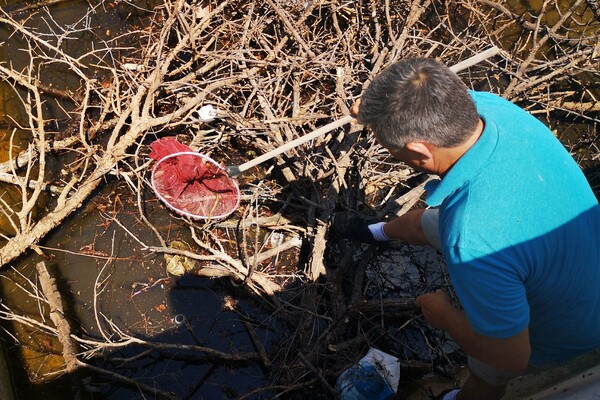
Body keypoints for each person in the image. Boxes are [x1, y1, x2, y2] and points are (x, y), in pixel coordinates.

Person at [332, 58, 600, 400]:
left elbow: (511, 356)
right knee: (424, 221)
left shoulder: (472, 237)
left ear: (417, 151)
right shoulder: (490, 109)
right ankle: (379, 231)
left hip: (565, 326)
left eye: (389, 147)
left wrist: (444, 316)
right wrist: (371, 107)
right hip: (571, 247)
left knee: (487, 372)